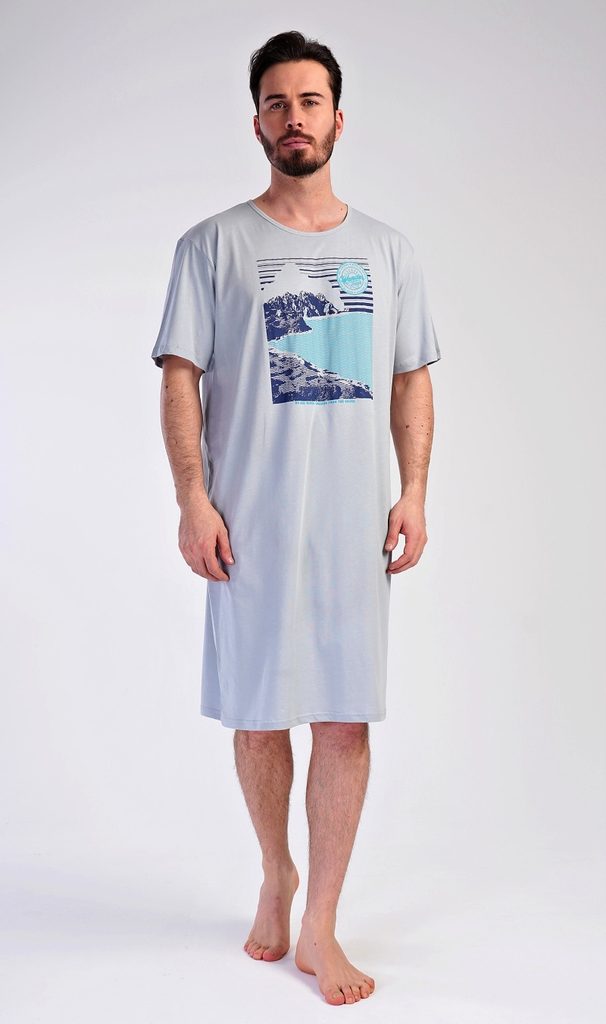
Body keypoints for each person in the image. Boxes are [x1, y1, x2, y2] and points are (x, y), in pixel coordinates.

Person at [150, 30, 441, 1006]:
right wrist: (193, 498)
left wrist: (414, 491)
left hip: (353, 532)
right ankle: (275, 871)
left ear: (338, 120)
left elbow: (411, 378)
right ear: (257, 123)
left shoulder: (388, 251)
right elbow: (181, 379)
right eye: (277, 102)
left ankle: (321, 920)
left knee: (345, 722)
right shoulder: (213, 245)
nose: (294, 118)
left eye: (310, 101)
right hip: (251, 527)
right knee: (260, 716)